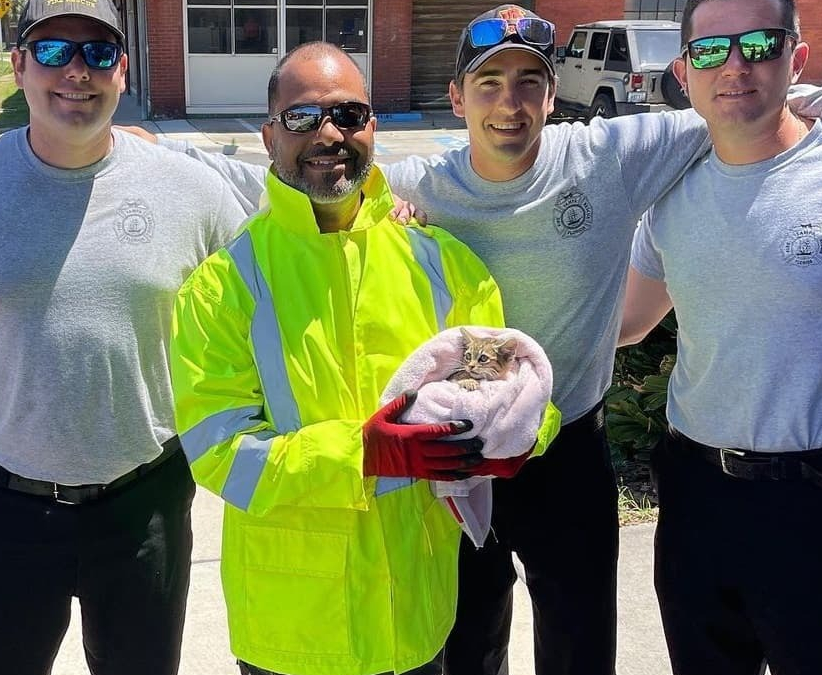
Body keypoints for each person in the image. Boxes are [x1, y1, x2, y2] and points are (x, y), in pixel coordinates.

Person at [131, 5, 822, 673]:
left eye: (527, 83)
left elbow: (742, 98)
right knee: (474, 643)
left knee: (579, 644)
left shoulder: (517, 215)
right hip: (382, 540)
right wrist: (137, 148)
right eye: (487, 83)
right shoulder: (359, 230)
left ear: (553, 95)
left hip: (557, 450)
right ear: (456, 99)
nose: (508, 103)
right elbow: (220, 442)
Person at [0, 0, 248, 674]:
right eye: (53, 51)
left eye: (98, 53)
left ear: (122, 72)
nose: (77, 70)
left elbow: (273, 265)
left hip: (145, 502)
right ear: (18, 65)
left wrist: (385, 201)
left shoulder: (191, 190)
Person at [169, 42, 557, 675]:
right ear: (269, 135)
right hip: (292, 630)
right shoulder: (223, 286)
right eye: (302, 117)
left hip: (415, 616)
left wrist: (520, 434)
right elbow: (220, 455)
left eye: (349, 115)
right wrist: (365, 453)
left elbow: (507, 388)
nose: (328, 134)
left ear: (372, 126)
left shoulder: (443, 265)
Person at [619, 1, 822, 673]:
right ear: (683, 71)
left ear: (799, 56)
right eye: (710, 51)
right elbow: (628, 320)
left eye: (759, 44)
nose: (734, 66)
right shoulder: (672, 186)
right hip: (697, 499)